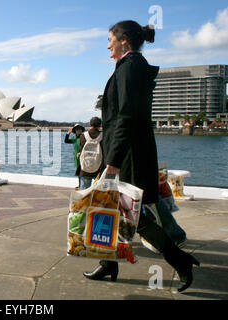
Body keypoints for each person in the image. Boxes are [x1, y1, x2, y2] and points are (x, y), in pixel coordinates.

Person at [82, 20, 199, 293]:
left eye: (110, 39)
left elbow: (125, 117)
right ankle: (109, 262)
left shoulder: (130, 68)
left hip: (128, 157)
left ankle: (180, 261)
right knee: (115, 209)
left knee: (133, 217)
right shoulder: (131, 67)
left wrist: (112, 162)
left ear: (124, 41)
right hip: (132, 153)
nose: (108, 45)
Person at [77, 117, 103, 189]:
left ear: (90, 124)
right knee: (98, 192)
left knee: (84, 191)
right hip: (99, 168)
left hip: (85, 168)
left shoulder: (83, 136)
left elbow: (81, 149)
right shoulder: (103, 136)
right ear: (100, 125)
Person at [64, 124, 85, 189]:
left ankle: (83, 185)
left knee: (83, 171)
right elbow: (66, 141)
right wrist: (68, 134)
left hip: (83, 156)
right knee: (78, 171)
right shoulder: (74, 138)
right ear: (75, 131)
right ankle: (79, 185)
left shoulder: (84, 137)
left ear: (81, 130)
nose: (78, 130)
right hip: (76, 158)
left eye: (79, 129)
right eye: (77, 129)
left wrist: (80, 152)